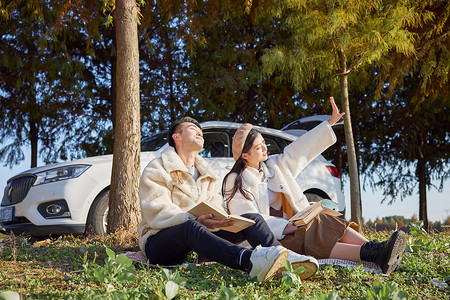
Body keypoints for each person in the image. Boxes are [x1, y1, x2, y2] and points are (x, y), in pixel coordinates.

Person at [223, 97, 407, 275]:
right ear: (244, 155)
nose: (265, 148)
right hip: (269, 240)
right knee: (311, 234)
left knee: (322, 216)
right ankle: (373, 254)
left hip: (292, 226)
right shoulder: (235, 179)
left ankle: (377, 248)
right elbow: (247, 219)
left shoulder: (273, 165)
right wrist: (284, 226)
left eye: (264, 143)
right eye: (258, 147)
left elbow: (299, 150)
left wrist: (328, 123)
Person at [137, 117, 317, 282]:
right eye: (192, 128)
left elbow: (214, 205)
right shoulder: (157, 168)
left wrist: (218, 220)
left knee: (252, 219)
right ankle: (250, 261)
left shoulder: (208, 173)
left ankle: (286, 259)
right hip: (161, 244)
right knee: (190, 226)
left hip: (201, 242)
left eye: (200, 130)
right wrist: (195, 219)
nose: (199, 131)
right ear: (176, 137)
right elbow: (156, 210)